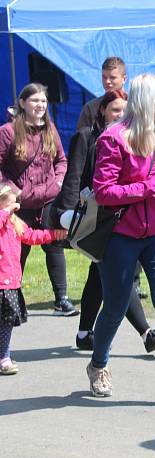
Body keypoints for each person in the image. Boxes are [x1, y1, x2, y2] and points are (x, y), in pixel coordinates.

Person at [86, 73, 155, 407]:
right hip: (121, 236)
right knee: (116, 305)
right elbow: (104, 192)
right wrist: (154, 187)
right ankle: (98, 364)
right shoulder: (113, 138)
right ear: (149, 102)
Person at [51, 89, 155, 354]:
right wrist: (67, 214)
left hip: (123, 216)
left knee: (101, 275)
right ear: (102, 111)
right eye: (114, 110)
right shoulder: (86, 136)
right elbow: (74, 175)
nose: (120, 115)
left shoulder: (132, 138)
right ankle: (145, 332)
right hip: (95, 215)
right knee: (115, 275)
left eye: (124, 111)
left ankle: (85, 332)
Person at [0, 83, 77, 316]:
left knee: (54, 246)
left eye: (43, 101)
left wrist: (60, 182)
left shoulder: (50, 129)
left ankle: (61, 299)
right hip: (20, 203)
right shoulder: (8, 131)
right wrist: (14, 191)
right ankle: (12, 298)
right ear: (22, 103)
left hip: (48, 199)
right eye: (35, 100)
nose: (40, 105)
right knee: (18, 250)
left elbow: (61, 160)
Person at [0, 182, 68, 375]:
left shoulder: (15, 222)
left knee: (6, 323)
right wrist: (5, 212)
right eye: (11, 205)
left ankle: (4, 356)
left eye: (16, 205)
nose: (16, 209)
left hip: (10, 284)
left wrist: (54, 234)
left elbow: (32, 236)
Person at [77, 57, 127, 130]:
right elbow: (82, 138)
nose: (107, 81)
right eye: (104, 77)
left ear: (124, 79)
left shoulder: (133, 105)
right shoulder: (91, 108)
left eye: (112, 78)